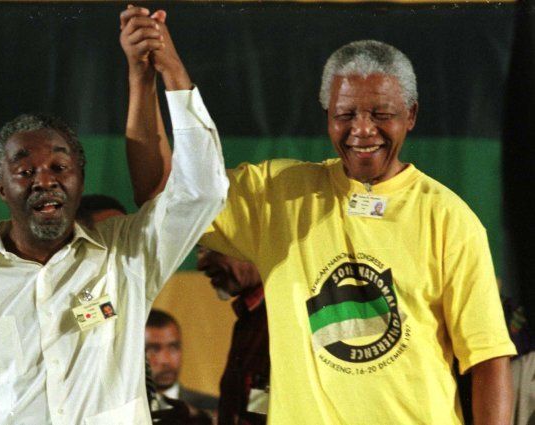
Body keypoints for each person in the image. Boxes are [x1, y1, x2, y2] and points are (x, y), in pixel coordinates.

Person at [126, 37, 516, 424]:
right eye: (345, 114)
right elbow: (160, 189)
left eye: (381, 114)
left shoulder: (449, 219)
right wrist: (151, 76)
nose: (362, 130)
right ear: (328, 115)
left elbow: (488, 359)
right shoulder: (278, 196)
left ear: (410, 115)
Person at [0, 8, 228, 424]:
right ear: (3, 188)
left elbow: (203, 190)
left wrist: (168, 69)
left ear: (79, 179)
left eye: (60, 167)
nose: (46, 181)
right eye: (25, 171)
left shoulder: (126, 259)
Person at [196, 247, 269, 425]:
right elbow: (258, 408)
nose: (201, 264)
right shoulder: (251, 319)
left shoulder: (287, 315)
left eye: (211, 248)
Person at [145, 309, 218, 413]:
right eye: (154, 349)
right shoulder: (119, 410)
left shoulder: (213, 409)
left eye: (173, 348)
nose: (165, 360)